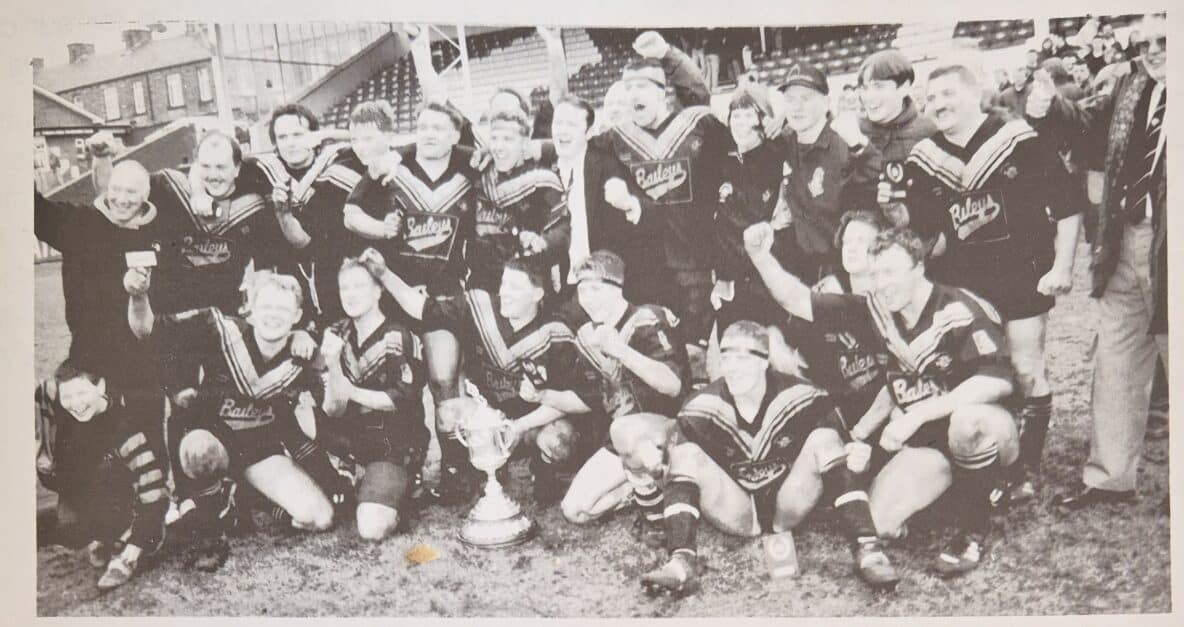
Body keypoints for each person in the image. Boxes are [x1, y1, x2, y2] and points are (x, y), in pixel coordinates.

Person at [613, 321, 901, 595]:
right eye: (726, 358)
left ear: (765, 361)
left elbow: (845, 456)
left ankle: (868, 550)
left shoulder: (805, 396)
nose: (733, 368)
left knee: (824, 439)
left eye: (744, 358)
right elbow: (675, 472)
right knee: (685, 454)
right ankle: (681, 562)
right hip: (737, 508)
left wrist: (857, 458)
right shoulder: (701, 407)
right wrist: (654, 462)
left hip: (788, 504)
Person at [904, 60, 1081, 502]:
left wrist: (1062, 266)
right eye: (931, 98)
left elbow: (1068, 204)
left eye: (947, 94)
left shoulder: (1018, 138)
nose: (938, 104)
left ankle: (1024, 470)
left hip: (1021, 273)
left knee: (1024, 369)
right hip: (963, 284)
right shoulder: (925, 159)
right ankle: (988, 457)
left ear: (974, 91)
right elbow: (931, 237)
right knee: (978, 374)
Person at [802, 226, 1018, 575]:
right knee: (879, 522)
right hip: (931, 446)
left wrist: (916, 416)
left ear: (918, 267)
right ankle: (957, 491)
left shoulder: (957, 307)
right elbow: (896, 385)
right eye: (875, 275)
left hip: (992, 428)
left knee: (967, 422)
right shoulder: (884, 315)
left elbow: (996, 381)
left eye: (891, 272)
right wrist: (857, 437)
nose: (882, 283)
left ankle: (974, 528)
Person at [1025, 15, 1167, 510]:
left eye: (1165, 40)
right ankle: (1110, 477)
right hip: (1124, 238)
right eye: (1144, 41)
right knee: (1116, 360)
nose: (1152, 50)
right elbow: (1087, 133)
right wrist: (1047, 109)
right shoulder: (1131, 85)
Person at [126, 269, 343, 571]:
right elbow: (146, 328)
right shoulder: (219, 327)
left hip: (261, 453)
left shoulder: (306, 352)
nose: (273, 315)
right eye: (266, 306)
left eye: (283, 309)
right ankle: (209, 529)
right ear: (250, 308)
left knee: (319, 518)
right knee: (198, 450)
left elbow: (333, 408)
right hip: (216, 442)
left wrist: (326, 361)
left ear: (297, 316)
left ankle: (247, 498)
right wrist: (138, 295)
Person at [361, 249, 600, 504]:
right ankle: (464, 476)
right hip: (490, 418)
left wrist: (520, 427)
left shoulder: (556, 331)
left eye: (516, 287)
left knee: (559, 439)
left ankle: (544, 470)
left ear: (538, 293)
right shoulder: (480, 307)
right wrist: (384, 274)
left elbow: (568, 400)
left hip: (533, 422)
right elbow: (423, 308)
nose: (505, 293)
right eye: (504, 283)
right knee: (447, 414)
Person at [590, 43, 731, 381]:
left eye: (641, 86)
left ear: (663, 92)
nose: (633, 94)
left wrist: (670, 54)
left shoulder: (698, 125)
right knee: (659, 353)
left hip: (695, 261)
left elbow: (701, 95)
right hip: (647, 267)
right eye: (628, 87)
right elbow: (564, 141)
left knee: (697, 359)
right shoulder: (616, 140)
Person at [33, 139, 187, 394]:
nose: (121, 199)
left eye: (131, 192)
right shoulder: (79, 224)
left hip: (145, 366)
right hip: (89, 361)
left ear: (146, 195)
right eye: (116, 190)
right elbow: (34, 210)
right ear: (106, 189)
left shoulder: (161, 234)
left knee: (150, 433)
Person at [559, 251, 688, 528]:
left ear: (619, 288)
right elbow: (589, 398)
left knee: (627, 431)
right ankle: (641, 488)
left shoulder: (647, 318)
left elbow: (673, 386)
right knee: (574, 510)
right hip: (621, 441)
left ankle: (666, 484)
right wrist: (540, 400)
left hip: (668, 430)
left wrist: (621, 351)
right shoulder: (588, 335)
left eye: (596, 289)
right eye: (582, 290)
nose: (588, 298)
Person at [317, 258, 430, 540]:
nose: (351, 294)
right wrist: (331, 366)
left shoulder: (398, 335)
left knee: (371, 528)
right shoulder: (335, 333)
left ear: (378, 291)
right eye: (345, 288)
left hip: (393, 439)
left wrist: (349, 390)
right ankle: (353, 479)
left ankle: (399, 489)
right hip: (349, 438)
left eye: (359, 286)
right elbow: (332, 409)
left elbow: (400, 402)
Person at [35, 362, 169, 591]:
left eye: (82, 393)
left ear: (101, 387)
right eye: (67, 396)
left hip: (134, 507)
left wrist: (132, 553)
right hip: (93, 500)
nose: (76, 404)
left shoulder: (124, 426)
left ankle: (125, 541)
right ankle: (102, 535)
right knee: (68, 526)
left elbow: (154, 491)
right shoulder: (68, 422)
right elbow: (60, 481)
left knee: (105, 476)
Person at [773, 59, 881, 284]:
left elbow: (870, 212)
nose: (796, 107)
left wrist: (842, 277)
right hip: (800, 268)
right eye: (790, 99)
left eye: (805, 98)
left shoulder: (845, 144)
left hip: (841, 272)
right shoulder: (784, 142)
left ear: (825, 103)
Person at [469, 108, 570, 293]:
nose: (499, 146)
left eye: (508, 139)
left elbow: (563, 229)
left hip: (526, 284)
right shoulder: (478, 176)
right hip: (483, 285)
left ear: (525, 143)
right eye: (494, 138)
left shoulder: (542, 180)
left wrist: (543, 242)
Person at [854, 49, 938, 227]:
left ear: (904, 87)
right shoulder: (855, 131)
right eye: (864, 88)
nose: (869, 96)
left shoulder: (930, 132)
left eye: (878, 86)